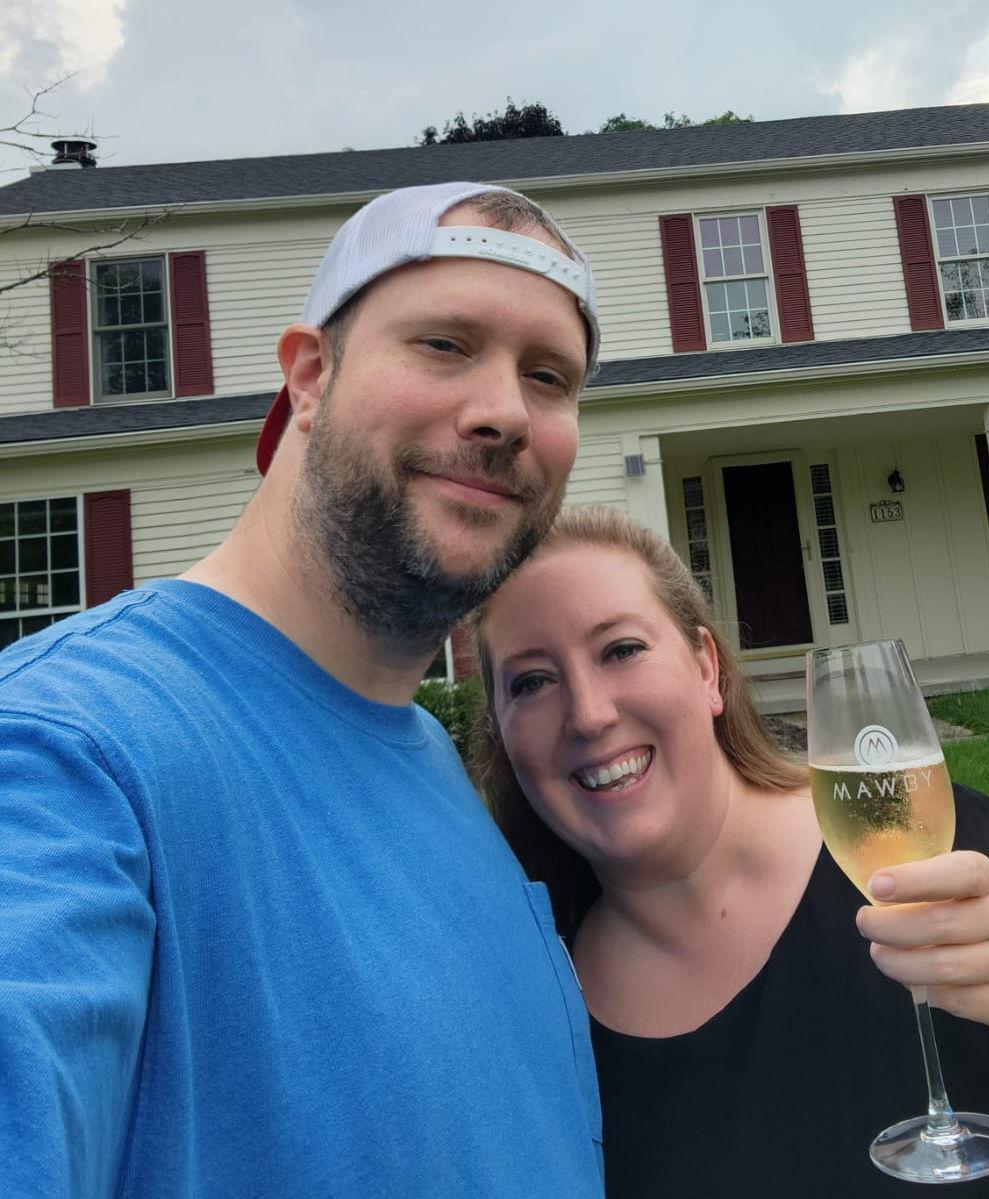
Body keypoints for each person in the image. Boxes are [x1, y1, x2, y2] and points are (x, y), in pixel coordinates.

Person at [0, 182, 606, 1197]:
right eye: (445, 344)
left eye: (548, 376)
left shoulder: (429, 756)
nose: (506, 411)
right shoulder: (67, 750)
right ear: (311, 376)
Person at [472, 505, 989, 1199]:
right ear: (502, 729)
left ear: (705, 667)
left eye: (622, 649)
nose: (589, 713)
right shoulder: (531, 1017)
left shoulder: (928, 860)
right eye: (531, 681)